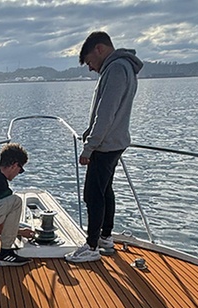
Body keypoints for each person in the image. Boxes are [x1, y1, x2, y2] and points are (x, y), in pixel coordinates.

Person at [66, 31, 143, 263]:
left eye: (90, 61)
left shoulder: (116, 69)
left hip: (105, 145)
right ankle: (105, 237)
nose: (90, 68)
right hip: (114, 143)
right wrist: (90, 133)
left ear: (99, 49)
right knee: (105, 190)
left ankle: (91, 247)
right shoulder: (123, 67)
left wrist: (89, 147)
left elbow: (106, 114)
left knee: (92, 195)